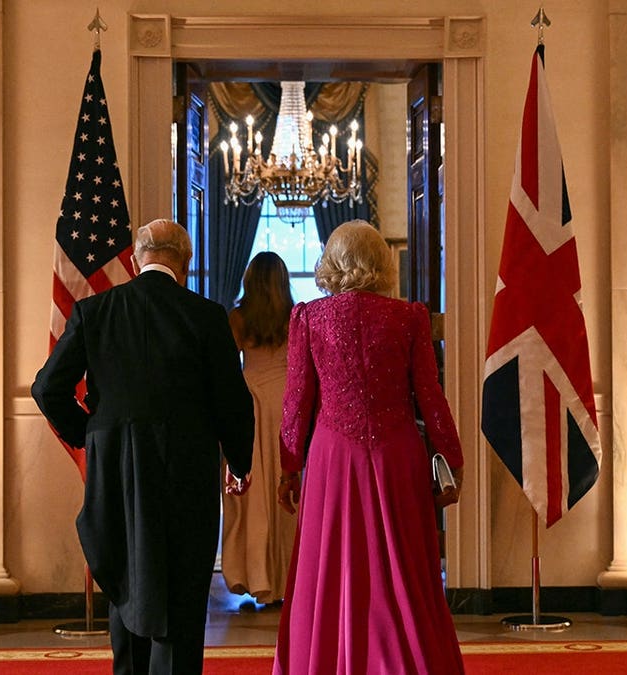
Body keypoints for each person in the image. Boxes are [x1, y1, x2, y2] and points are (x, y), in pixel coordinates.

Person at [31, 218, 255, 675]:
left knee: (124, 581)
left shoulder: (95, 312)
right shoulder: (207, 316)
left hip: (114, 472)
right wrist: (239, 461)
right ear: (185, 265)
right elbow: (232, 401)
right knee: (183, 593)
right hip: (187, 471)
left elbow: (47, 388)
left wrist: (91, 436)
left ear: (135, 259)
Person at [272, 220, 465, 675]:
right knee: (402, 568)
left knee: (332, 570)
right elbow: (430, 396)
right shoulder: (409, 317)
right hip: (397, 453)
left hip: (331, 459)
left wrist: (289, 468)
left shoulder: (309, 318)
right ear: (382, 264)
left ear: (331, 263)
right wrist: (450, 461)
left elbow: (296, 401)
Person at [220, 252, 297, 605]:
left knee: (249, 497)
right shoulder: (295, 318)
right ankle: (287, 580)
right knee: (288, 495)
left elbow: (223, 366)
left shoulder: (238, 317)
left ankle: (252, 577)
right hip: (286, 404)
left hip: (248, 404)